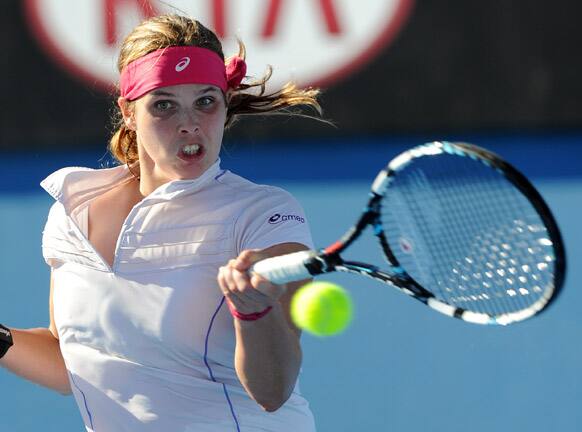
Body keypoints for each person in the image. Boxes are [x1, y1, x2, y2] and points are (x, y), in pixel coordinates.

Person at [0, 14, 323, 432]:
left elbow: (273, 391)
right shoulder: (70, 211)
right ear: (129, 113)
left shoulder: (264, 216)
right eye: (164, 105)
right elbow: (74, 364)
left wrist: (255, 311)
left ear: (225, 107)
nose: (189, 123)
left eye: (206, 101)